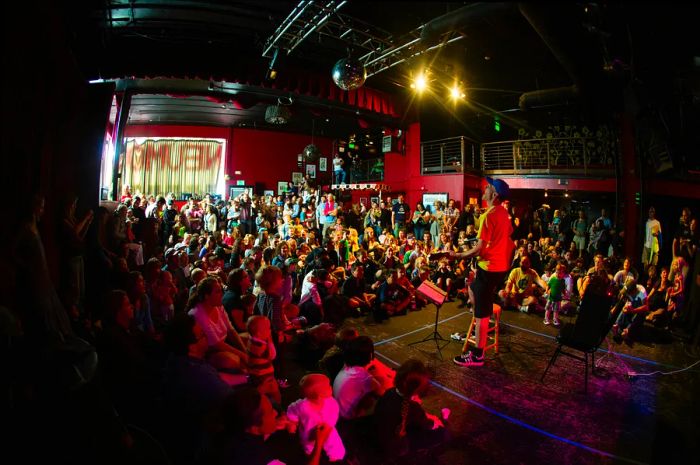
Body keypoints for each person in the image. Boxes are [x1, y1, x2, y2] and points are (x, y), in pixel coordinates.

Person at [451, 177, 514, 367]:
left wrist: (460, 255)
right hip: (500, 267)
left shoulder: (488, 215)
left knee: (481, 313)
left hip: (488, 268)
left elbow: (479, 249)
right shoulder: (504, 213)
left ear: (494, 195)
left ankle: (477, 355)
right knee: (474, 291)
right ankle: (478, 316)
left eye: (488, 187)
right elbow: (508, 238)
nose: (484, 189)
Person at [187, 277, 248, 371]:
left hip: (223, 344)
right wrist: (243, 355)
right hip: (209, 352)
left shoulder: (218, 306)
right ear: (207, 296)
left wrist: (245, 352)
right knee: (232, 360)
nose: (222, 294)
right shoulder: (198, 313)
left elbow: (231, 330)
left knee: (250, 339)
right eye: (218, 291)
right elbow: (216, 344)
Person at [286, 373, 345, 462]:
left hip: (328, 431)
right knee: (308, 447)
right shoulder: (301, 406)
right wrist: (292, 423)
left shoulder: (331, 402)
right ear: (318, 395)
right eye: (328, 386)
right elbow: (291, 411)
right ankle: (309, 454)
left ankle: (335, 457)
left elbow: (335, 413)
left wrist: (329, 425)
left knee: (335, 445)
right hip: (309, 434)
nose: (330, 387)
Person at [246, 315, 281, 405]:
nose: (270, 330)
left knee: (263, 392)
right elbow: (273, 355)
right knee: (274, 392)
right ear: (259, 333)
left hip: (256, 373)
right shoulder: (261, 347)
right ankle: (278, 408)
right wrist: (270, 339)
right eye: (268, 328)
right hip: (264, 375)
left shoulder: (251, 339)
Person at [642, 206, 662, 271]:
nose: (651, 213)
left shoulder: (657, 222)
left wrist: (657, 235)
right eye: (650, 211)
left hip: (655, 246)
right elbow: (644, 233)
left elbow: (660, 234)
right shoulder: (646, 222)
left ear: (654, 213)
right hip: (647, 245)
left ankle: (652, 279)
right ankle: (645, 278)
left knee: (653, 265)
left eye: (652, 211)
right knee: (645, 264)